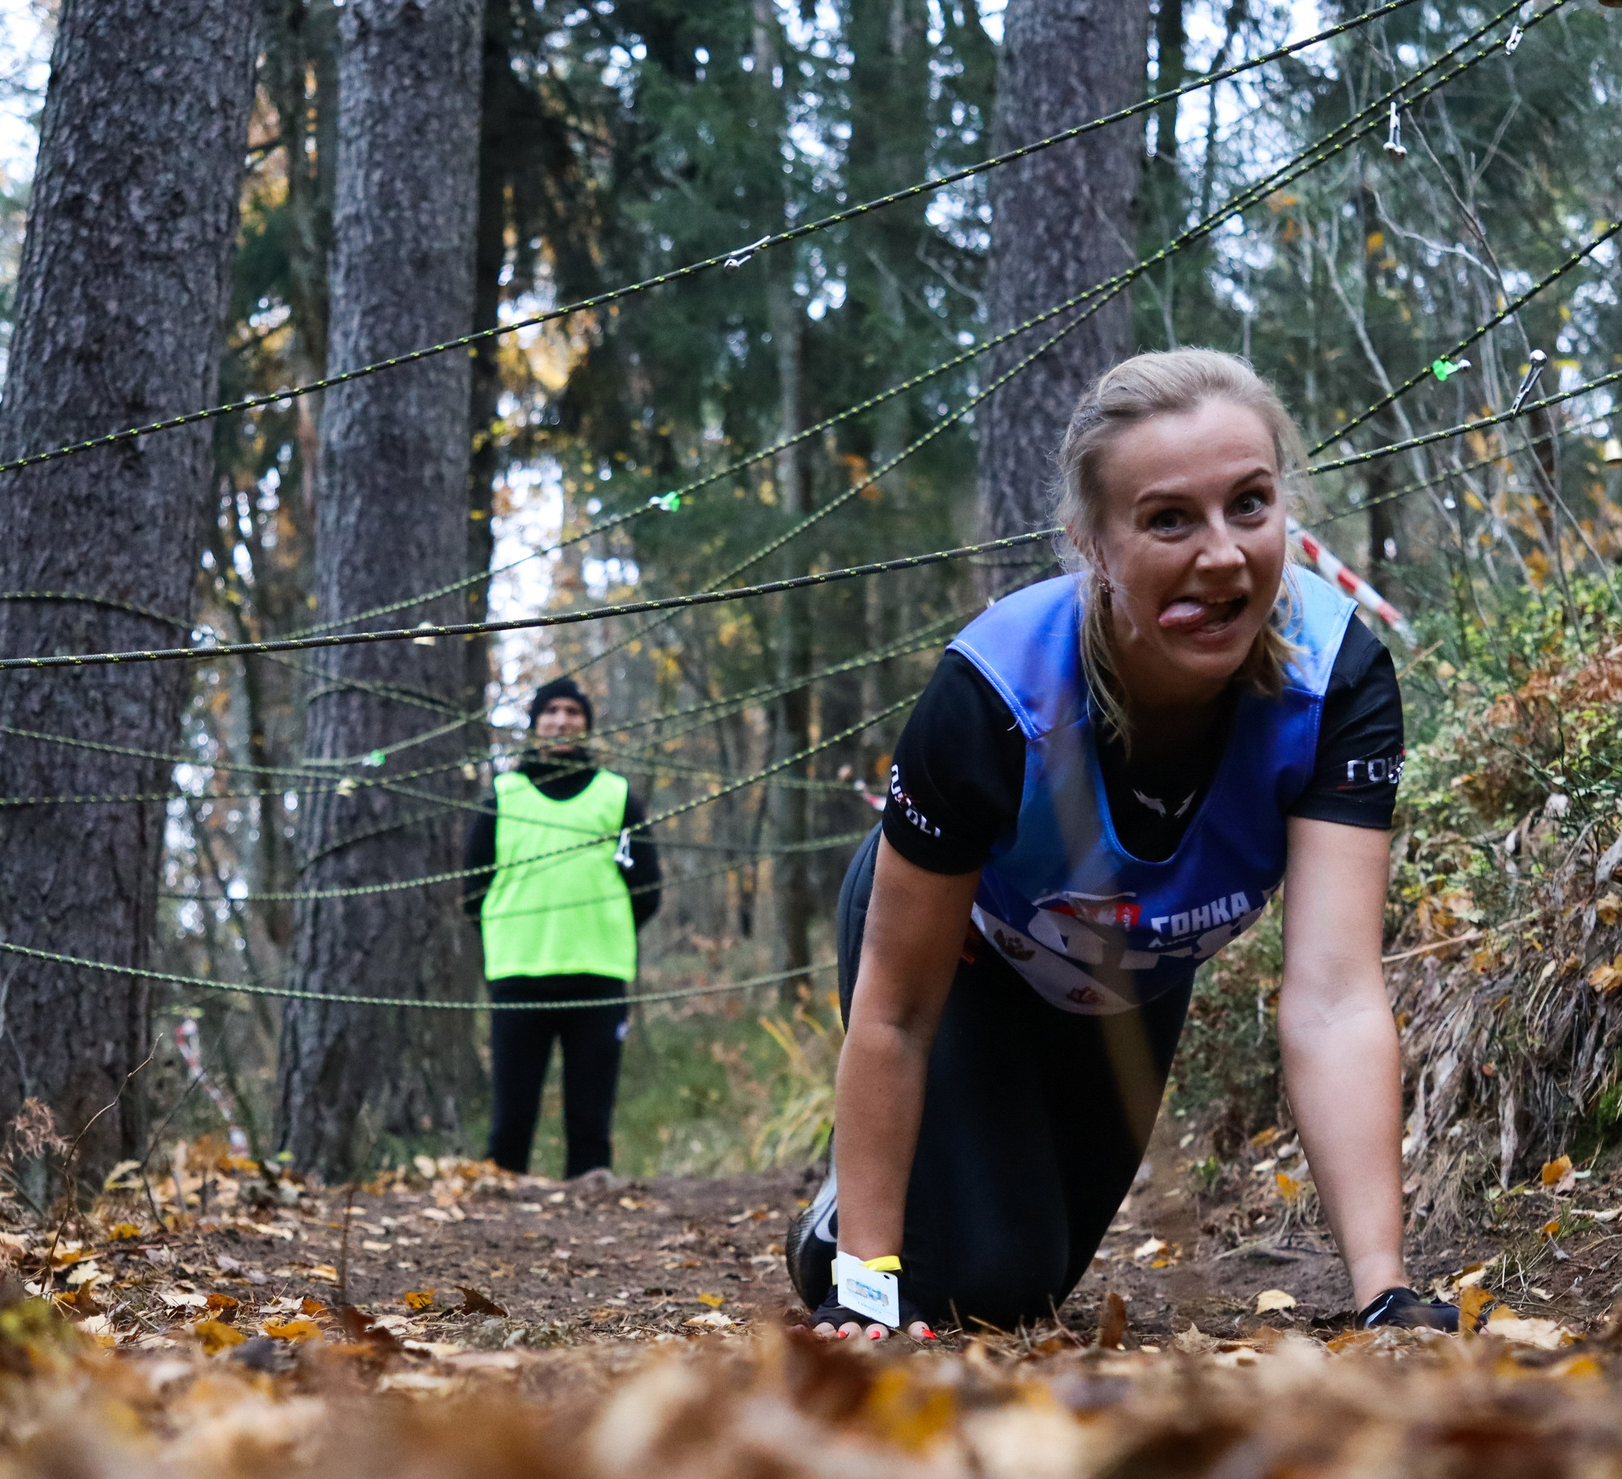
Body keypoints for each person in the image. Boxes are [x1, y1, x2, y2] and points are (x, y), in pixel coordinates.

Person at [785, 348, 1454, 1341]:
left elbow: (1335, 998)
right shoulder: (994, 693)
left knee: (1032, 1279)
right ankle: (849, 1227)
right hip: (956, 947)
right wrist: (869, 1291)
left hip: (1129, 972)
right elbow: (897, 1012)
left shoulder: (1339, 678)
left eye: (1250, 505)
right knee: (979, 1287)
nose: (1222, 555)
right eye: (1168, 519)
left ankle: (943, 1211)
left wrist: (1383, 1295)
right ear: (1091, 544)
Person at [464, 677, 660, 1177]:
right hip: (518, 972)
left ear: (587, 724)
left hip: (598, 971)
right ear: (534, 726)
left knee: (591, 1117)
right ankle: (496, 1206)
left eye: (573, 711)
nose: (561, 719)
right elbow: (471, 889)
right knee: (511, 1116)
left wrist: (603, 924)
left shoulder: (617, 797)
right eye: (550, 711)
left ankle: (593, 1221)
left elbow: (648, 888)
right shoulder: (501, 796)